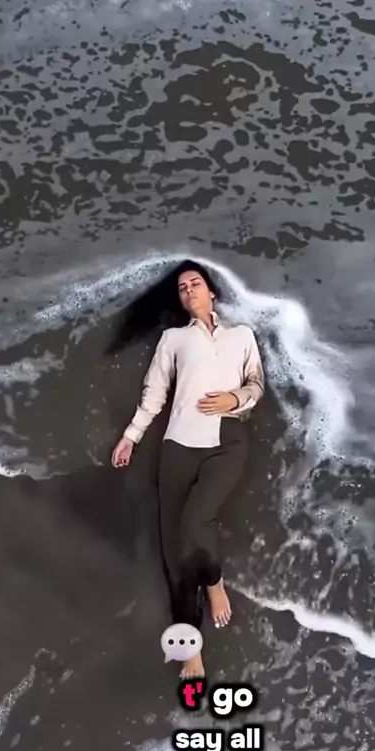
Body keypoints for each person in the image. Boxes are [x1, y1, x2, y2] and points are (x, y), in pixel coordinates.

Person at [110, 260, 264, 678]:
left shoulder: (241, 336)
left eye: (196, 283)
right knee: (172, 550)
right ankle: (190, 646)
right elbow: (154, 393)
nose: (190, 290)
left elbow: (256, 384)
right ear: (181, 301)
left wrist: (234, 399)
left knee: (197, 521)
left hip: (227, 442)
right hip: (179, 444)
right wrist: (131, 436)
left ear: (211, 292)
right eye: (182, 288)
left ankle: (213, 582)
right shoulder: (174, 339)